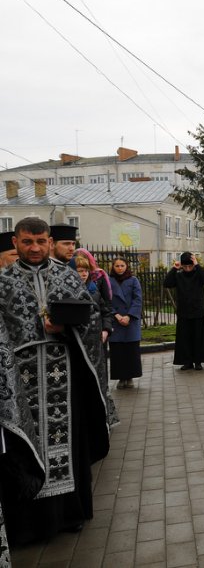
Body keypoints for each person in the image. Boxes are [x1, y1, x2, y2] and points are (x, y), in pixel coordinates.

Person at [0, 217, 116, 546]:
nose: (35, 248)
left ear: (49, 242)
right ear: (16, 242)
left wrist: (65, 328)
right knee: (25, 444)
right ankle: (30, 524)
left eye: (41, 241)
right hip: (19, 379)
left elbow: (91, 320)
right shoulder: (3, 282)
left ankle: (69, 514)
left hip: (62, 376)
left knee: (67, 443)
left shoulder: (66, 275)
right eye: (27, 242)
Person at [164, 252, 204, 371]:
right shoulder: (179, 275)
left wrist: (197, 265)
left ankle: (198, 361)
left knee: (198, 338)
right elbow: (167, 283)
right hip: (184, 312)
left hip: (198, 311)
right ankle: (187, 362)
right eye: (185, 266)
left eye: (190, 266)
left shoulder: (198, 274)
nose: (187, 268)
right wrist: (174, 269)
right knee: (184, 339)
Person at [108, 256, 143, 388]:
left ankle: (130, 377)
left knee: (131, 351)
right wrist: (116, 315)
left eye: (122, 265)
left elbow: (138, 299)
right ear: (113, 267)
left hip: (131, 321)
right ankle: (121, 378)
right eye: (117, 266)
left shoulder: (133, 280)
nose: (120, 268)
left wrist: (129, 316)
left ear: (127, 266)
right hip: (115, 321)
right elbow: (105, 300)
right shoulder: (108, 281)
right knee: (118, 352)